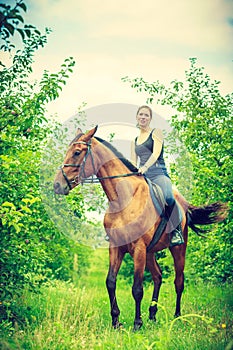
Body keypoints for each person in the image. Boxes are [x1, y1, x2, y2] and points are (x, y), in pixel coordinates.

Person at [131, 105, 184, 247]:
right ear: (136, 117)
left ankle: (176, 231)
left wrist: (145, 167)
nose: (143, 117)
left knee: (168, 197)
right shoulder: (134, 141)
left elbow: (155, 154)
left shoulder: (156, 132)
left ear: (150, 118)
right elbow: (132, 162)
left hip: (158, 174)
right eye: (141, 114)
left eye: (146, 115)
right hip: (143, 177)